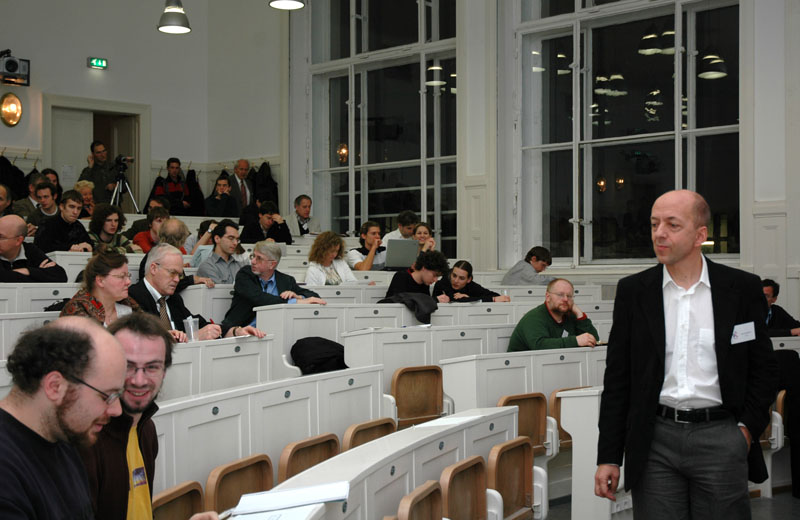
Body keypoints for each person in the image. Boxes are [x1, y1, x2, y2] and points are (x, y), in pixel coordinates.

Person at [594, 190, 778, 518]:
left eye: (672, 224)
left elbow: (763, 367)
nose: (659, 233)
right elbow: (618, 378)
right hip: (654, 440)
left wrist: (746, 429)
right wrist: (609, 455)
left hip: (721, 436)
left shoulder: (741, 288)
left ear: (700, 235)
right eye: (654, 224)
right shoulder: (634, 291)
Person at [0, 317, 127, 518]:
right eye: (106, 396)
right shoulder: (6, 471)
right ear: (55, 386)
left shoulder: (63, 436)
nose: (116, 410)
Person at [128, 243, 263, 342]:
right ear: (153, 268)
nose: (176, 280)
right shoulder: (133, 296)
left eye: (179, 275)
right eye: (172, 273)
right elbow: (146, 339)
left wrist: (235, 331)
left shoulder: (172, 299)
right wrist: (196, 337)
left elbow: (199, 324)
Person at [221, 241, 326, 335]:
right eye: (253, 256)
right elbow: (259, 298)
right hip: (241, 331)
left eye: (259, 258)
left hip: (276, 332)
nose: (253, 261)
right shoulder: (245, 274)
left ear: (272, 264)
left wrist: (298, 297)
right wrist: (293, 302)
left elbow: (314, 297)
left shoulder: (286, 280)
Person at [507, 278, 598, 351]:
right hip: (522, 368)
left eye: (569, 296)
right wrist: (576, 341)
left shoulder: (570, 316)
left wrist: (579, 314)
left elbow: (594, 340)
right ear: (548, 297)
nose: (566, 299)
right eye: (560, 295)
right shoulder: (534, 318)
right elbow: (540, 345)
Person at [60, 248, 140, 326]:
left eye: (128, 276)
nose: (128, 282)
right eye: (122, 276)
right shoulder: (77, 311)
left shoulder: (129, 307)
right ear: (100, 281)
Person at [0, 214, 68, 282]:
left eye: (1, 237)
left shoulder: (30, 250)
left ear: (18, 240)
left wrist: (28, 271)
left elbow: (61, 276)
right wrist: (39, 275)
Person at [433, 260, 510, 303]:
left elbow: (496, 295)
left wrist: (470, 297)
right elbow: (458, 299)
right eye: (454, 275)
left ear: (469, 279)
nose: (456, 281)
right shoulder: (442, 283)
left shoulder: (471, 286)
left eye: (461, 278)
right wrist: (493, 300)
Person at [385, 249, 450, 301]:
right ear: (424, 268)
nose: (435, 280)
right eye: (434, 275)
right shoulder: (401, 276)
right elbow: (402, 300)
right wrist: (435, 300)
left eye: (437, 277)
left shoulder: (425, 283)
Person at [197, 219, 244, 284]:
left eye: (237, 239)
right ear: (217, 239)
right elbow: (220, 291)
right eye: (231, 238)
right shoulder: (207, 266)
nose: (235, 243)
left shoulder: (240, 265)